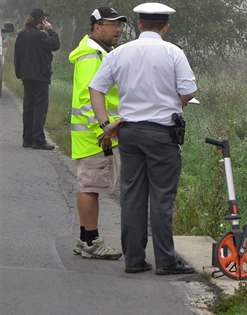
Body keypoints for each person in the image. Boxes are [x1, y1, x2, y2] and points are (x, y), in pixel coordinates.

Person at [89, 2, 197, 275]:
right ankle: (165, 261)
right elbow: (188, 91)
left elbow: (96, 88)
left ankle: (134, 260)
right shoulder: (173, 53)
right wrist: (172, 105)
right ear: (165, 27)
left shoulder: (120, 53)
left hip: (130, 133)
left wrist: (106, 124)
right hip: (162, 134)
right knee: (161, 198)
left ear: (138, 25)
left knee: (133, 195)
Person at [68, 7, 129, 260]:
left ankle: (85, 239)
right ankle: (92, 241)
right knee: (90, 187)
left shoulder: (97, 53)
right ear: (96, 27)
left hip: (93, 135)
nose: (118, 29)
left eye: (119, 25)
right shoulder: (92, 56)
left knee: (89, 186)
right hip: (97, 136)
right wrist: (103, 129)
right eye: (111, 24)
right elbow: (87, 98)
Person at [14, 8, 60, 150]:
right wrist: (51, 30)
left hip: (26, 77)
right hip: (40, 77)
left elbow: (17, 56)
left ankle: (27, 139)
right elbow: (55, 45)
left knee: (28, 108)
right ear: (41, 20)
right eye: (44, 20)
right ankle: (38, 140)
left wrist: (19, 73)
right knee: (40, 108)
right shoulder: (41, 36)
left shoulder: (22, 35)